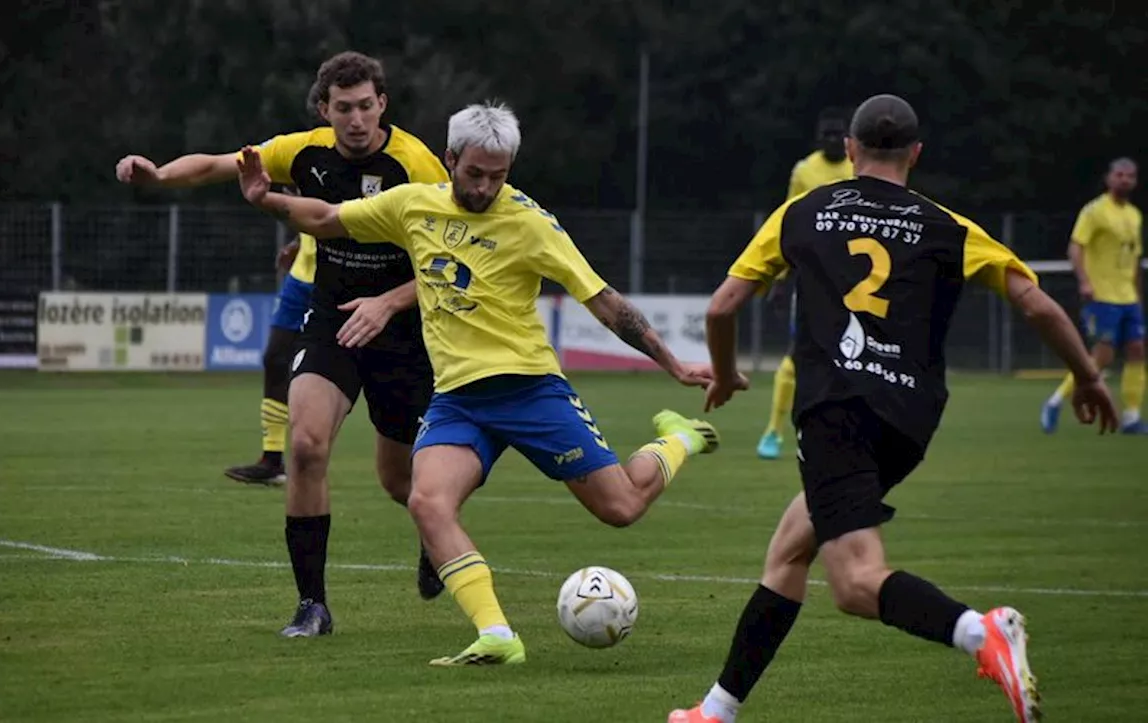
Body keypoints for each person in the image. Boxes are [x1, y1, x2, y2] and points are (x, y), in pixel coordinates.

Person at [668, 94, 1118, 723]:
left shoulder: (803, 212)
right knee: (791, 549)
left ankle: (980, 632)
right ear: (915, 154)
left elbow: (721, 307)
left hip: (836, 411)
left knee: (854, 584)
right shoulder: (948, 225)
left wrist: (722, 373)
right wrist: (1090, 378)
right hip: (909, 421)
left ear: (849, 149)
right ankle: (715, 712)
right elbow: (1037, 304)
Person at [237, 101, 721, 666]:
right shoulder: (412, 205)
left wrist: (673, 364)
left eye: (499, 175)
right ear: (450, 159)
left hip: (531, 391)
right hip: (459, 401)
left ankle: (679, 437)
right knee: (427, 500)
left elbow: (606, 303)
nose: (487, 186)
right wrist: (265, 199)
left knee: (621, 508)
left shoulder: (531, 223)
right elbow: (324, 218)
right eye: (475, 173)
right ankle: (497, 634)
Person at [118, 51, 452, 636]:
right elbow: (219, 164)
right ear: (325, 110)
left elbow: (453, 260)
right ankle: (312, 606)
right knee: (305, 445)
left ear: (383, 105)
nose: (356, 120)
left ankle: (433, 536)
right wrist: (160, 176)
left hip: (402, 330)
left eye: (366, 107)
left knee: (401, 483)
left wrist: (388, 303)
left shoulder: (417, 164)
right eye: (343, 108)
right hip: (331, 322)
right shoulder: (303, 150)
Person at [756, 108, 854, 460]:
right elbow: (789, 221)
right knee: (797, 357)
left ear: (849, 138)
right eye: (826, 134)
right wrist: (782, 279)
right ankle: (773, 432)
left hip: (856, 279)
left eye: (838, 134)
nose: (832, 140)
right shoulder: (804, 171)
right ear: (818, 139)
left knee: (855, 356)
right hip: (813, 279)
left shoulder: (860, 168)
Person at [1041, 157, 1145, 434]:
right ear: (1109, 178)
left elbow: (1134, 259)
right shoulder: (1095, 211)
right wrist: (1085, 282)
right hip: (1102, 295)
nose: (1125, 180)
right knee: (1100, 357)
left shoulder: (1134, 215)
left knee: (1137, 351)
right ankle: (1054, 402)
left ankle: (1133, 417)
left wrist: (1137, 294)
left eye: (1130, 176)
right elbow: (1076, 247)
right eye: (1120, 175)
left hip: (1128, 298)